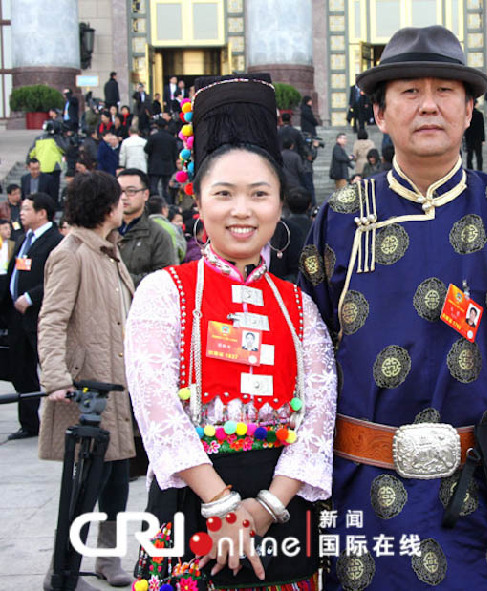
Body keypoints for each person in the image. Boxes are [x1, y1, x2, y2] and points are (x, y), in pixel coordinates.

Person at [301, 25, 487, 590]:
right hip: (362, 489)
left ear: (470, 110)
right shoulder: (340, 217)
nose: (429, 105)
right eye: (409, 92)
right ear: (380, 111)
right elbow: (309, 364)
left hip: (482, 495)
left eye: (446, 91)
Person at [125, 73, 336, 591]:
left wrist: (266, 508)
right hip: (189, 506)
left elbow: (319, 414)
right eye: (224, 193)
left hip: (281, 517)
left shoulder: (299, 306)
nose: (242, 210)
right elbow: (156, 407)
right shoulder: (164, 291)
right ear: (199, 205)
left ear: (279, 204)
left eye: (259, 194)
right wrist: (219, 503)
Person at [37, 171, 136, 589]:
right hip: (87, 392)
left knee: (115, 484)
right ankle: (61, 568)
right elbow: (52, 319)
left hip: (116, 388)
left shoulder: (108, 252)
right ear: (105, 207)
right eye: (119, 198)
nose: (125, 203)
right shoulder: (71, 253)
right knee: (84, 487)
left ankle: (107, 560)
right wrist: (56, 377)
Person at [6, 193, 63, 440]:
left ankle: (59, 424)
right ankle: (30, 423)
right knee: (21, 370)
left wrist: (31, 297)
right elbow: (12, 272)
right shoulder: (23, 239)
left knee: (49, 369)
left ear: (42, 213)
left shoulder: (55, 241)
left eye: (27, 208)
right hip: (17, 317)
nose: (22, 212)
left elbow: (57, 278)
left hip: (41, 315)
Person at [116, 168, 179, 286]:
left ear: (145, 194)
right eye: (119, 191)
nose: (123, 197)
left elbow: (165, 280)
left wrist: (119, 279)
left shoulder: (158, 234)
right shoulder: (105, 229)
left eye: (131, 191)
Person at [145, 118, 180, 201]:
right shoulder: (171, 139)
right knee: (166, 188)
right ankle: (168, 203)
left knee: (153, 186)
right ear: (166, 126)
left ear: (157, 126)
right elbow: (175, 152)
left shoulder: (153, 137)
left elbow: (146, 149)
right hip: (168, 165)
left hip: (155, 165)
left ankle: (154, 201)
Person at [464, 103, 485, 170]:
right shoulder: (479, 114)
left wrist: (465, 138)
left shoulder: (467, 115)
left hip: (469, 138)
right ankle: (480, 169)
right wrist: (483, 139)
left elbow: (466, 128)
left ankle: (470, 168)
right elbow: (482, 128)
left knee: (469, 156)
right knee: (479, 155)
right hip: (478, 138)